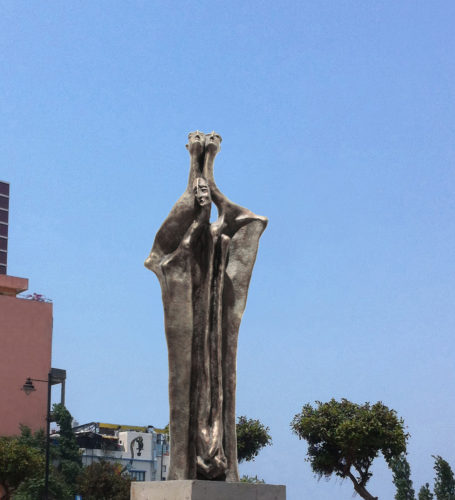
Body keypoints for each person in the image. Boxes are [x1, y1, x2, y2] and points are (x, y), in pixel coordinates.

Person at [145, 131, 267, 481]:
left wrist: (204, 173)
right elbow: (180, 244)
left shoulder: (221, 239)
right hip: (194, 324)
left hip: (213, 324)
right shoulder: (189, 247)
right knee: (197, 382)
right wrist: (201, 171)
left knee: (217, 381)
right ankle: (185, 464)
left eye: (204, 195)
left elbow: (225, 217)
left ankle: (216, 461)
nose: (203, 199)